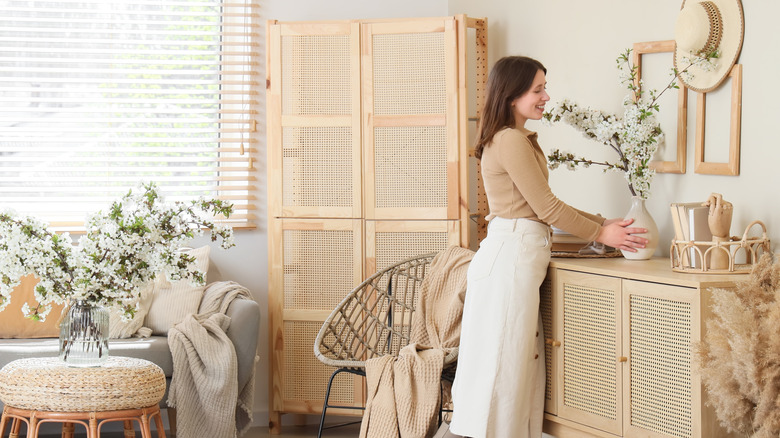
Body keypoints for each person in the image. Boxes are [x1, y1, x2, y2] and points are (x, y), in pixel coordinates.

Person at [447, 56, 648, 438]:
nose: (546, 96)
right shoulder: (510, 141)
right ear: (511, 96)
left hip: (513, 257)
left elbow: (543, 202)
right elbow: (547, 208)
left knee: (513, 367)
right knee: (502, 369)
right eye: (537, 89)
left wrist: (600, 221)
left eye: (544, 88)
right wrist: (602, 235)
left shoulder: (512, 139)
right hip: (510, 260)